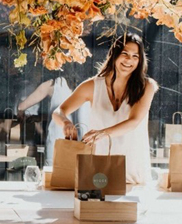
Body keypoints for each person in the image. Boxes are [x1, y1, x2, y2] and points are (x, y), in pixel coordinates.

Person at [51, 33, 156, 186]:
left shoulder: (146, 86)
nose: (129, 60)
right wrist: (66, 122)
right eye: (125, 54)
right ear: (114, 54)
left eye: (135, 56)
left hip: (133, 171)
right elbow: (59, 111)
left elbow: (133, 122)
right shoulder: (93, 86)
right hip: (98, 171)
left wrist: (103, 133)